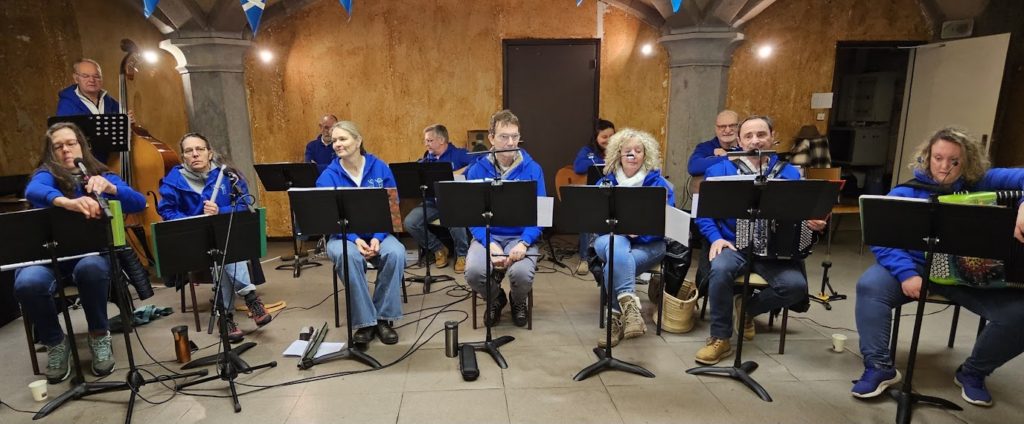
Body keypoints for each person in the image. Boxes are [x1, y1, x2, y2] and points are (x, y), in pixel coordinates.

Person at [851, 127, 1024, 406]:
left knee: (1019, 314)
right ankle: (879, 366)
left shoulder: (983, 181)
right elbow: (882, 239)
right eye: (938, 158)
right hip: (917, 267)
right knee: (870, 287)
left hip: (970, 275)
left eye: (954, 161)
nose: (944, 167)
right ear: (927, 157)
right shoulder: (906, 191)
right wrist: (906, 274)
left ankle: (973, 372)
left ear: (967, 161)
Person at [14, 122, 146, 383]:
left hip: (88, 255)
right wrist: (67, 202)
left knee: (92, 268)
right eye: (58, 146)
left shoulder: (100, 174)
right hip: (48, 259)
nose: (65, 150)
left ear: (82, 146)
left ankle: (99, 335)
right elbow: (33, 190)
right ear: (51, 152)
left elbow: (138, 202)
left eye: (70, 143)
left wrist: (110, 189)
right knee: (27, 282)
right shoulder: (46, 175)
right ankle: (55, 342)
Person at [694, 115, 826, 365]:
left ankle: (747, 309)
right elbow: (704, 215)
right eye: (749, 136)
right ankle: (720, 338)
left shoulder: (789, 174)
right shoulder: (719, 170)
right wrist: (715, 239)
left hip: (775, 251)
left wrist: (813, 223)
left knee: (795, 287)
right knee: (720, 269)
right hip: (733, 245)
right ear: (740, 141)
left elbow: (803, 214)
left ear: (772, 137)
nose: (755, 140)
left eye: (761, 134)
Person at [157, 133, 273, 343]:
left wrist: (221, 211)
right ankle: (250, 298)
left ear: (209, 153)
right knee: (226, 251)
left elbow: (244, 205)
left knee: (224, 251)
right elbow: (167, 211)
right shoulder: (173, 182)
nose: (195, 154)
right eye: (189, 151)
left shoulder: (227, 176)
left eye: (200, 149)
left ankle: (224, 316)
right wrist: (195, 219)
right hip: (194, 240)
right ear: (183, 157)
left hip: (225, 237)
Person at [316, 121, 405, 345]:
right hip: (342, 236)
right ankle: (366, 322)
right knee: (348, 256)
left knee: (396, 253)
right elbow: (329, 219)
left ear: (358, 141)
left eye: (343, 139)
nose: (337, 144)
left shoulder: (380, 168)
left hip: (378, 233)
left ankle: (383, 317)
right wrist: (355, 239)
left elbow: (392, 209)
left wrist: (377, 237)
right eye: (334, 140)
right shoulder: (327, 177)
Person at [591, 128, 674, 347]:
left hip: (650, 244)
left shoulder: (660, 185)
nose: (633, 154)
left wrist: (642, 233)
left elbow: (668, 224)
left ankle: (614, 321)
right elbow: (595, 223)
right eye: (627, 150)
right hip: (610, 240)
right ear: (618, 153)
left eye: (639, 150)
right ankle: (630, 308)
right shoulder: (605, 184)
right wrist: (621, 230)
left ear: (646, 155)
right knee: (616, 242)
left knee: (613, 266)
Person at [464, 110, 546, 328]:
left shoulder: (533, 169)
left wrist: (524, 242)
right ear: (491, 138)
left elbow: (542, 213)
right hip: (488, 236)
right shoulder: (476, 170)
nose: (511, 142)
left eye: (515, 136)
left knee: (522, 275)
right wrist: (489, 242)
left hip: (520, 237)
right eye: (504, 136)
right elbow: (472, 217)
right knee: (473, 273)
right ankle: (496, 298)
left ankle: (517, 301)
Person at [402, 124, 474, 273]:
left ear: (441, 140)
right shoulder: (427, 159)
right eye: (425, 141)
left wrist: (457, 173)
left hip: (454, 202)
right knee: (410, 223)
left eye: (429, 140)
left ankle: (462, 254)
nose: (426, 144)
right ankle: (438, 248)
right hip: (432, 203)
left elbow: (480, 161)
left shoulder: (459, 154)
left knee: (455, 219)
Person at [55, 59, 131, 162]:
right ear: (76, 78)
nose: (92, 80)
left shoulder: (110, 102)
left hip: (112, 163)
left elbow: (122, 136)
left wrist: (128, 123)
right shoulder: (66, 104)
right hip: (84, 163)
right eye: (85, 76)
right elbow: (65, 140)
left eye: (96, 76)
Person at [573, 119, 616, 275]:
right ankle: (584, 258)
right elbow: (578, 167)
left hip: (614, 195)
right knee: (586, 216)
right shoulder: (587, 151)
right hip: (593, 195)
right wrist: (603, 162)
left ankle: (611, 256)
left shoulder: (619, 150)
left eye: (611, 136)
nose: (608, 140)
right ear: (596, 137)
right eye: (604, 137)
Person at [687, 110, 741, 179]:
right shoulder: (706, 147)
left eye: (732, 126)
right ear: (716, 129)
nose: (727, 130)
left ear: (739, 127)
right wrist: (729, 158)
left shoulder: (746, 146)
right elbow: (693, 166)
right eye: (722, 126)